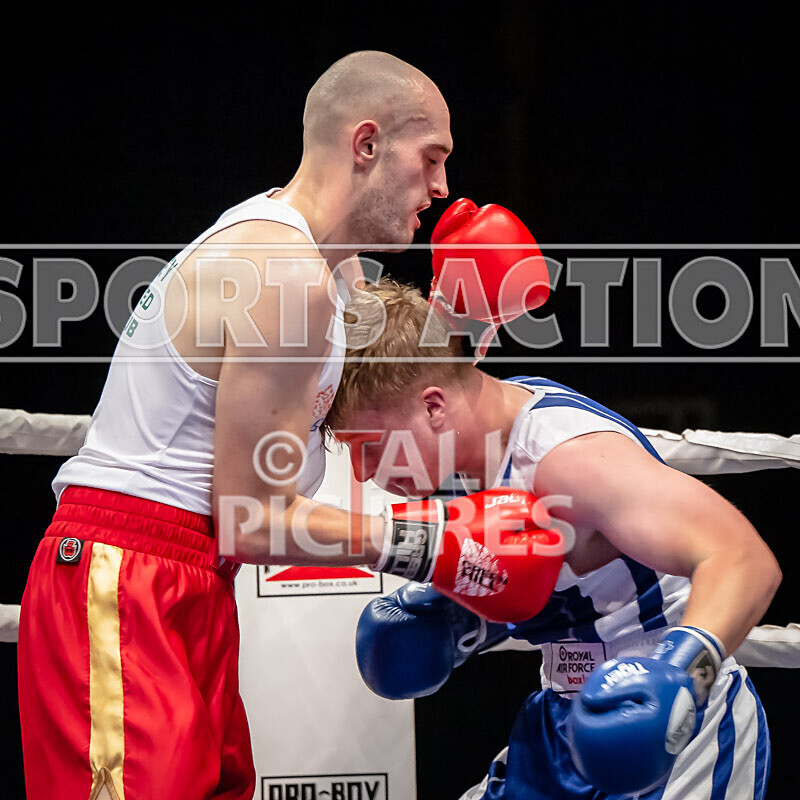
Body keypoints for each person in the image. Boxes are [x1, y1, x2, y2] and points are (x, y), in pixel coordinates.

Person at [18, 50, 465, 800]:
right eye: (432, 159)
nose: (443, 188)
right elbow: (251, 519)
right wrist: (432, 545)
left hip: (188, 582)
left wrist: (470, 318)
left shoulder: (328, 266)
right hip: (127, 574)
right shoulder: (282, 272)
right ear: (366, 145)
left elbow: (391, 392)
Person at [326, 279, 781, 799]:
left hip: (674, 728)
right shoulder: (459, 457)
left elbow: (744, 558)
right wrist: (459, 622)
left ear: (433, 407)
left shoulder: (565, 459)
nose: (361, 473)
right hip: (563, 721)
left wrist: (682, 678)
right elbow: (556, 582)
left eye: (370, 446)